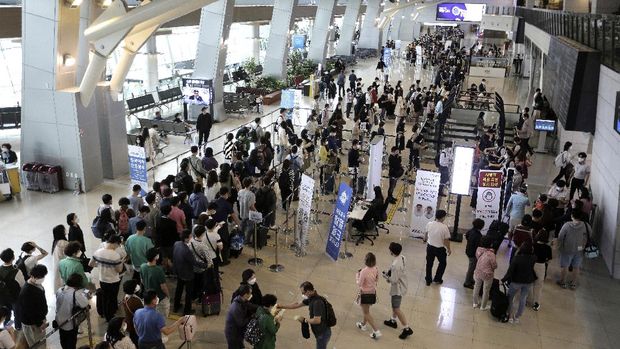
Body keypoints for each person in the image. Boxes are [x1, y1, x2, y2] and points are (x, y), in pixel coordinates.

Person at [277, 281, 332, 349]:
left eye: (303, 293)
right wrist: (282, 306)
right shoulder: (311, 298)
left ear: (308, 291)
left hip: (322, 333)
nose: (303, 294)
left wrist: (305, 320)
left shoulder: (317, 303)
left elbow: (317, 320)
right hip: (320, 332)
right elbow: (297, 305)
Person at [381, 242, 412, 339]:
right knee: (395, 306)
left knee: (396, 308)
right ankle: (393, 321)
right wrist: (390, 272)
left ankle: (407, 328)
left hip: (397, 289)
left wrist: (386, 276)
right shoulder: (402, 257)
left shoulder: (395, 265)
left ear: (392, 252)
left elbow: (393, 280)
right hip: (403, 284)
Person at [173, 230, 208, 315]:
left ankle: (176, 306)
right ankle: (187, 310)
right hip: (187, 274)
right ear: (186, 238)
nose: (191, 237)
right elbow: (194, 262)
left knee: (179, 289)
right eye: (190, 236)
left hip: (179, 271)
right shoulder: (186, 250)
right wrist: (205, 265)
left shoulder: (177, 244)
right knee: (189, 293)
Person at [90, 234, 124, 322]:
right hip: (113, 280)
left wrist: (101, 265)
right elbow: (119, 270)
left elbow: (90, 264)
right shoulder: (115, 255)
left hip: (102, 279)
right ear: (116, 243)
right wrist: (121, 262)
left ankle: (105, 314)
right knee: (112, 299)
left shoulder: (98, 252)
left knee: (105, 298)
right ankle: (111, 317)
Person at [502, 240, 537, 324]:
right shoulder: (533, 258)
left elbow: (510, 271)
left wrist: (503, 279)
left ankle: (509, 315)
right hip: (528, 281)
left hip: (516, 281)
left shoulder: (517, 258)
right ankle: (517, 317)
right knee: (523, 298)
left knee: (510, 298)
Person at [17, 264, 48, 347]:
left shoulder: (36, 284)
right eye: (39, 277)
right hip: (32, 324)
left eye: (43, 276)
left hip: (39, 319)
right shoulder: (27, 292)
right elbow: (29, 311)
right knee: (37, 343)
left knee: (41, 341)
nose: (42, 279)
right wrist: (39, 323)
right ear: (32, 276)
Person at [55, 273, 89, 349]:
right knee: (71, 342)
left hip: (60, 321)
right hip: (70, 323)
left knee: (63, 340)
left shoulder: (60, 290)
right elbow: (85, 303)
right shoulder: (75, 294)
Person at [557, 210, 587, 289]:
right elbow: (589, 235)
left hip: (567, 248)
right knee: (576, 267)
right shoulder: (585, 225)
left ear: (571, 216)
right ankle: (573, 283)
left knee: (565, 266)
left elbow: (560, 236)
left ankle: (563, 282)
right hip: (579, 249)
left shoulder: (567, 225)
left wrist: (560, 247)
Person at [355, 253, 381, 339]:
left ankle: (376, 331)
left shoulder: (363, 271)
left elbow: (359, 284)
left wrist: (357, 276)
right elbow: (377, 279)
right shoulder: (376, 269)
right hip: (372, 293)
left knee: (366, 312)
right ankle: (363, 324)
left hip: (365, 294)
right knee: (367, 310)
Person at [423, 210, 451, 286]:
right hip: (440, 249)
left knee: (429, 263)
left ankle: (428, 280)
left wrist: (425, 239)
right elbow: (446, 240)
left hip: (430, 247)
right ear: (443, 217)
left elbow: (426, 233)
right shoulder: (444, 227)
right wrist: (449, 249)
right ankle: (437, 279)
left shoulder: (430, 223)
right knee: (442, 263)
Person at [140, 248, 170, 318]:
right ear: (156, 257)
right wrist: (168, 296)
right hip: (159, 298)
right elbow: (163, 287)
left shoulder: (142, 266)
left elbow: (142, 281)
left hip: (148, 297)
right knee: (161, 318)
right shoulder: (159, 270)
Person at [0, 249, 25, 330]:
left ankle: (7, 329)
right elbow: (22, 285)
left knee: (6, 314)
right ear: (13, 258)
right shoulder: (17, 271)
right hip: (15, 298)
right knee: (17, 314)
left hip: (3, 298)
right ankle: (18, 329)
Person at [529, 229, 552, 311]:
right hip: (541, 266)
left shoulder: (532, 245)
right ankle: (536, 303)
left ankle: (525, 299)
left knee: (528, 282)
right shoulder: (548, 248)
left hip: (531, 264)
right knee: (538, 285)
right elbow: (549, 260)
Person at [472, 236, 497, 310]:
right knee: (486, 290)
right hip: (488, 274)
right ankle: (483, 306)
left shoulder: (478, 249)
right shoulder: (491, 254)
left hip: (478, 271)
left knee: (476, 287)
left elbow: (477, 258)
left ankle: (475, 303)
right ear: (490, 244)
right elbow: (494, 265)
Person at [225, 284, 253, 349]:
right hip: (233, 334)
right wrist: (250, 318)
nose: (251, 295)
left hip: (238, 333)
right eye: (250, 293)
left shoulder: (241, 299)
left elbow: (249, 305)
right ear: (245, 295)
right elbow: (241, 323)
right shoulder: (236, 307)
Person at [121, 280, 143, 346]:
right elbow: (141, 313)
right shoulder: (135, 301)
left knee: (133, 337)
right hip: (135, 324)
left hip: (129, 321)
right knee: (136, 338)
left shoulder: (126, 297)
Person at [464, 219, 484, 289]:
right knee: (471, 268)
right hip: (473, 254)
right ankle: (467, 282)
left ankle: (470, 279)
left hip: (468, 251)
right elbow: (479, 245)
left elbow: (466, 236)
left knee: (472, 267)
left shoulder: (471, 231)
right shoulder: (478, 235)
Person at [52, 224, 69, 289]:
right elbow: (70, 253)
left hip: (57, 264)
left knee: (58, 281)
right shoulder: (64, 243)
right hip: (63, 265)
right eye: (64, 229)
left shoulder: (55, 241)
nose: (65, 230)